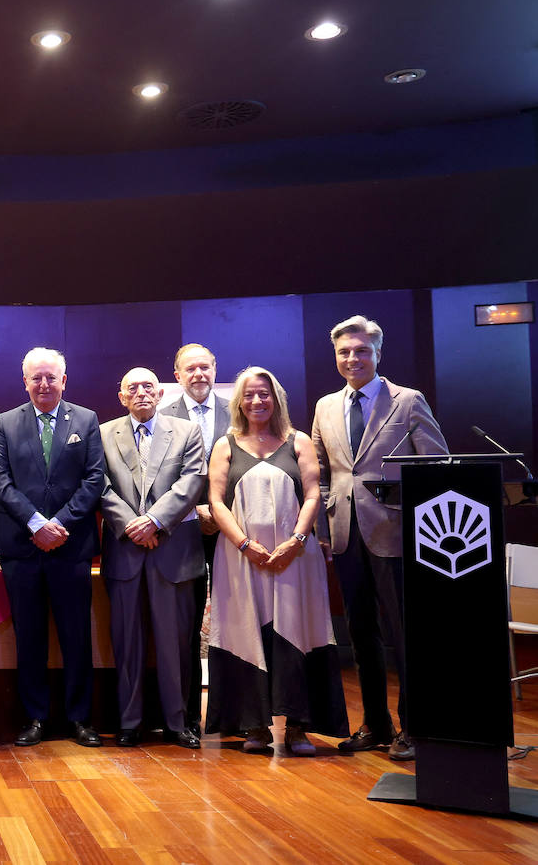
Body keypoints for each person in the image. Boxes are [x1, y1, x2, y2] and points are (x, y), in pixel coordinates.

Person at [311, 315, 447, 761]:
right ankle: (376, 723)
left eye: (361, 351)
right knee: (360, 632)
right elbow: (322, 471)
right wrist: (326, 520)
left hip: (396, 533)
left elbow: (436, 465)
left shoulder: (407, 402)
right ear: (336, 358)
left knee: (404, 632)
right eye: (345, 352)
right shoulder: (326, 406)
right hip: (346, 535)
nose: (353, 358)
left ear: (378, 353)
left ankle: (415, 726)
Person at [205, 367, 348, 755]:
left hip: (294, 557)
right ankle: (254, 724)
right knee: (244, 632)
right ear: (239, 401)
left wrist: (296, 541)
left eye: (264, 394)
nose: (257, 401)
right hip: (240, 558)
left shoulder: (298, 441)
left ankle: (299, 725)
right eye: (249, 395)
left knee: (298, 628)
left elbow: (315, 493)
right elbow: (216, 501)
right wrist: (244, 543)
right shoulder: (226, 444)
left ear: (276, 399)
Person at [0, 347, 106, 747]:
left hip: (70, 546)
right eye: (35, 378)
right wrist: (36, 523)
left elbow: (94, 480)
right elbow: (0, 481)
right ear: (25, 381)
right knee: (30, 637)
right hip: (22, 549)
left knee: (77, 636)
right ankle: (35, 717)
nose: (43, 384)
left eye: (50, 377)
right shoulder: (6, 423)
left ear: (64, 380)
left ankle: (79, 719)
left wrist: (59, 523)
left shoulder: (87, 420)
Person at [99, 367, 205, 749]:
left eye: (148, 386)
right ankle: (130, 722)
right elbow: (101, 485)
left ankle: (178, 723)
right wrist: (133, 525)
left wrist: (155, 521)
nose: (141, 392)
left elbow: (192, 480)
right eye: (133, 388)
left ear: (161, 394)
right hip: (125, 549)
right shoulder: (103, 433)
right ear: (121, 396)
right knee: (126, 643)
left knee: (175, 643)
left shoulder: (187, 431)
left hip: (172, 549)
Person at [160, 343, 229, 734]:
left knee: (233, 621)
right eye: (191, 369)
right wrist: (194, 509)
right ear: (177, 375)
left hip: (230, 531)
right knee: (185, 625)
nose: (199, 374)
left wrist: (217, 512)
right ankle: (187, 715)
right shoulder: (161, 414)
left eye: (205, 367)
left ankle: (230, 713)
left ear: (215, 369)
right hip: (181, 531)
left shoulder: (236, 413)